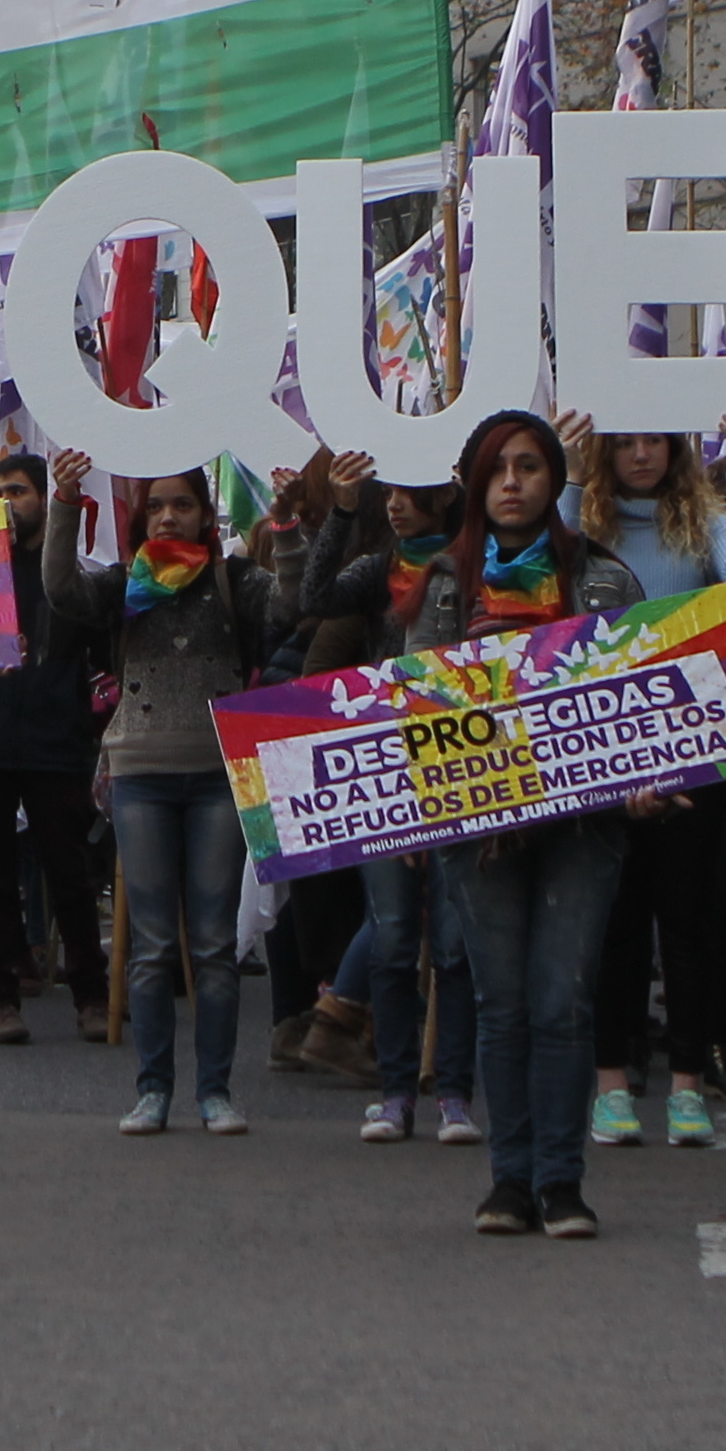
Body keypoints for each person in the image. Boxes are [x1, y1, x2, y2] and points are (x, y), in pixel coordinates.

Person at [414, 411, 646, 1235]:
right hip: (481, 836)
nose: (512, 482)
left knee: (563, 1002)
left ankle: (562, 1183)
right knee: (502, 1004)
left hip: (584, 826)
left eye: (529, 467)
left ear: (555, 481)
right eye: (497, 469)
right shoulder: (447, 583)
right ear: (476, 485)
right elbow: (416, 709)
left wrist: (646, 774)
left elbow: (643, 700)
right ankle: (509, 1181)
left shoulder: (609, 581)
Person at [51, 452, 278, 1137]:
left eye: (182, 504)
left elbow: (298, 602)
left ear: (208, 515)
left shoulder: (234, 581)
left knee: (211, 943)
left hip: (216, 773)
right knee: (149, 943)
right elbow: (61, 589)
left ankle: (215, 1092)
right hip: (141, 772)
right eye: (156, 506)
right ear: (138, 517)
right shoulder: (124, 586)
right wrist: (64, 504)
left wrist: (289, 526)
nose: (169, 515)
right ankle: (153, 1089)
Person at [564, 415, 726, 1152]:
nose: (641, 452)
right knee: (616, 924)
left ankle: (685, 1085)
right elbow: (546, 578)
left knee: (688, 922)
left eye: (654, 438)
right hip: (606, 749)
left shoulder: (700, 522)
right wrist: (574, 476)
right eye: (624, 440)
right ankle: (611, 1084)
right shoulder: (584, 518)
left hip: (693, 753)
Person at [294, 457, 480, 1145]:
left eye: (411, 493)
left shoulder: (476, 567)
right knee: (395, 938)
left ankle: (454, 1094)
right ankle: (397, 1093)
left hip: (463, 769)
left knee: (456, 945)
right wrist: (341, 513)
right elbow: (313, 595)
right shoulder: (380, 570)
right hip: (386, 775)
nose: (395, 505)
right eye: (390, 493)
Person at [0, 448, 105, 1048]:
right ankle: (0, 998)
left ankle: (91, 994)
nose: (8, 504)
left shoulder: (68, 578)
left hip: (53, 742)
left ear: (43, 499)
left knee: (69, 876)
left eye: (19, 492)